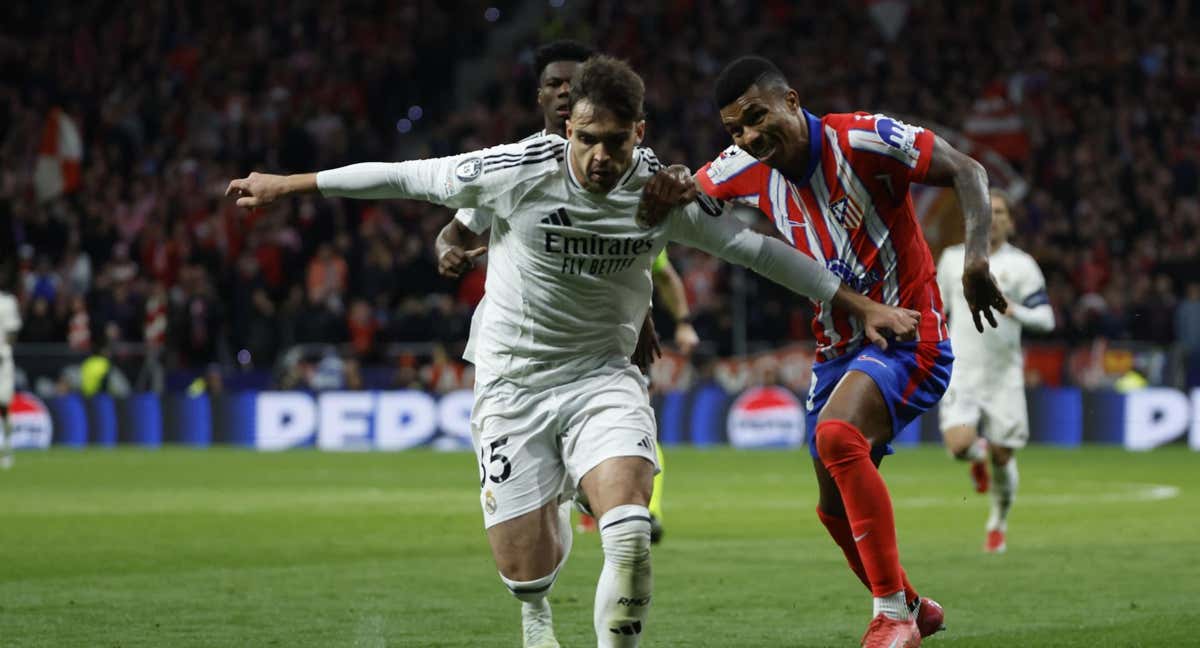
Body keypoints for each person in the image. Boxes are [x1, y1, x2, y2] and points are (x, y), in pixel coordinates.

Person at [227, 55, 919, 648]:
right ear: (566, 130)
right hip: (512, 382)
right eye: (585, 139)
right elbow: (404, 176)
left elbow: (755, 249)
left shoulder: (660, 191)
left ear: (638, 135)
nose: (598, 158)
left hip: (603, 377)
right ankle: (537, 612)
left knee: (627, 531)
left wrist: (858, 306)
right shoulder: (515, 169)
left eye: (614, 142)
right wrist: (286, 186)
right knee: (526, 570)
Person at [648, 56, 1007, 647]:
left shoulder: (862, 139)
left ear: (791, 100)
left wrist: (973, 259)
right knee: (831, 508)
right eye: (735, 129)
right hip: (835, 347)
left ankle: (892, 615)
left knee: (837, 437)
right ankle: (915, 605)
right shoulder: (741, 165)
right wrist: (675, 182)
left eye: (757, 117)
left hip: (907, 334)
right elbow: (679, 203)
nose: (748, 137)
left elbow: (968, 170)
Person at [434, 40, 694, 543]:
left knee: (624, 433)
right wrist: (444, 251)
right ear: (541, 99)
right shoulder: (514, 168)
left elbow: (636, 253)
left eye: (572, 85)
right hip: (519, 352)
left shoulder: (628, 166)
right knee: (529, 504)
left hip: (599, 343)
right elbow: (455, 231)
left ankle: (611, 502)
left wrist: (638, 315)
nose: (563, 93)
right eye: (553, 84)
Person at [937, 189, 1053, 554]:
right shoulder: (953, 259)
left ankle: (997, 524)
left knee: (1004, 456)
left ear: (1011, 221)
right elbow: (937, 310)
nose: (996, 217)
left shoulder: (1023, 266)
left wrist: (1013, 310)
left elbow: (1047, 319)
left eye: (1002, 212)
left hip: (1003, 373)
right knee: (959, 446)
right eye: (990, 211)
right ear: (977, 218)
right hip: (962, 369)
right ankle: (978, 455)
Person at [0, 279, 21, 469]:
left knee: (4, 405)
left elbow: (12, 333)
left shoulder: (8, 302)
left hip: (2, 361)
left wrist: (3, 348)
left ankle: (7, 449)